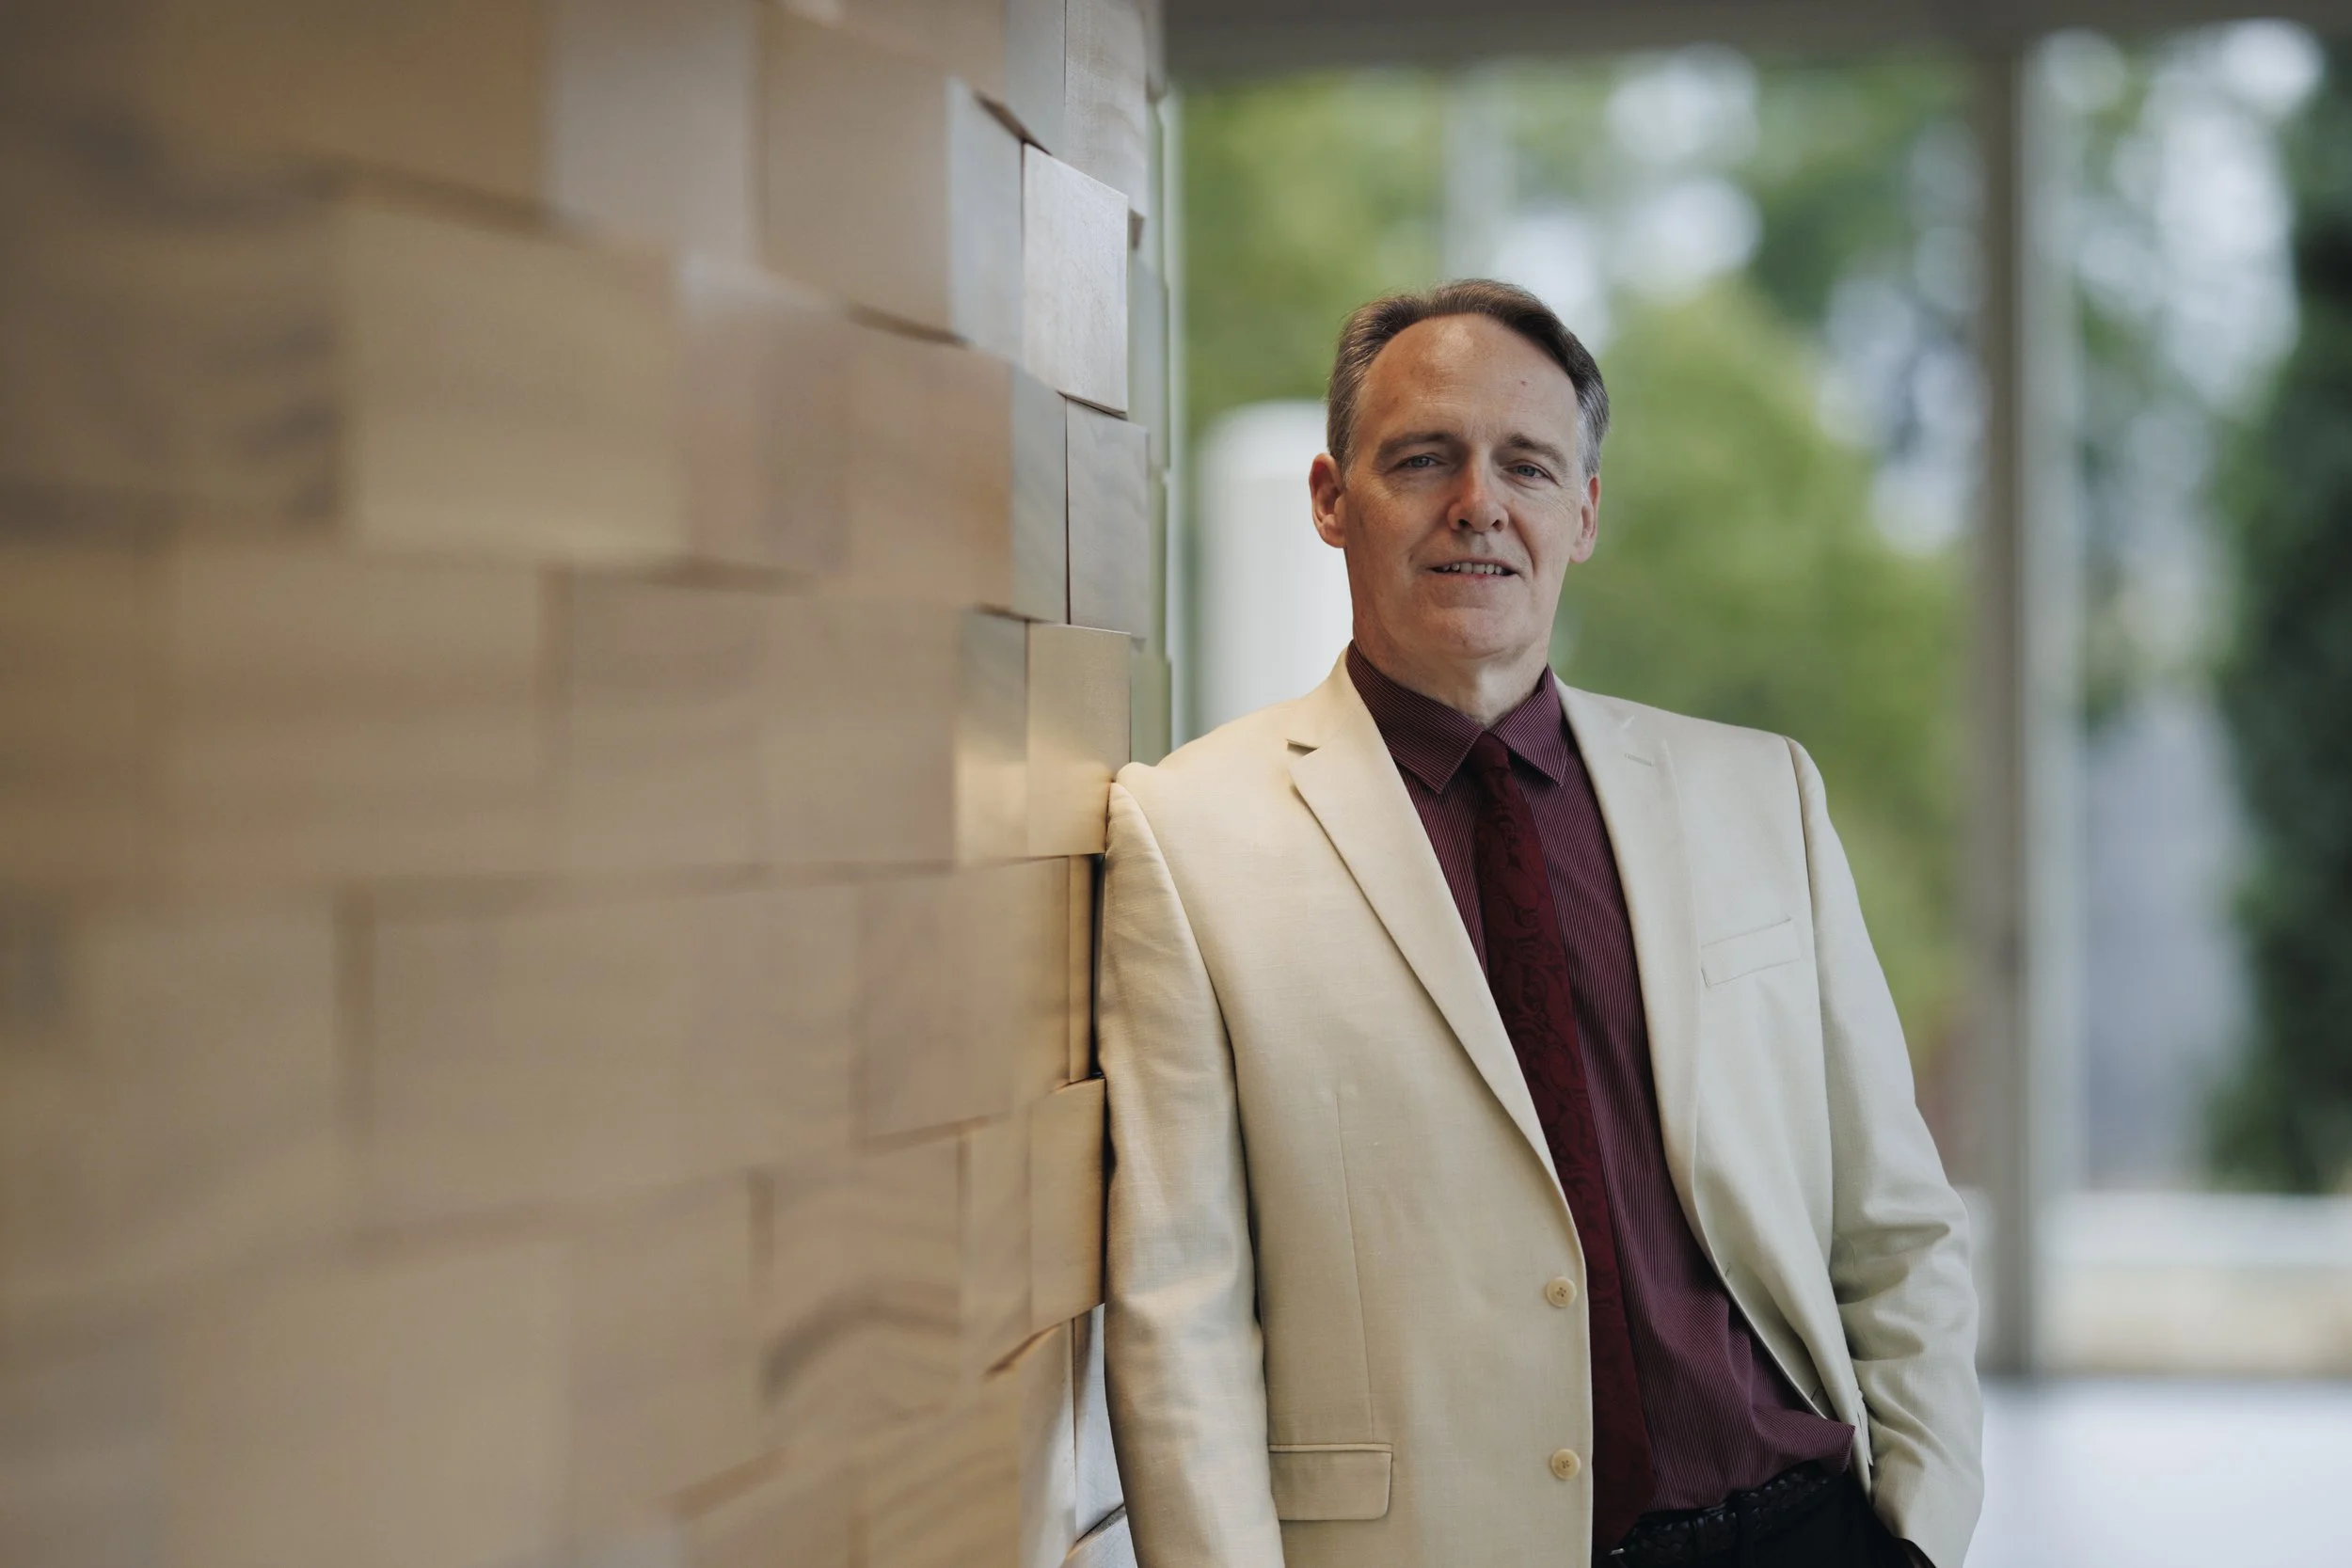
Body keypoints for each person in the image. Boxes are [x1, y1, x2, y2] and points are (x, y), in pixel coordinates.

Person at [1095, 280, 1980, 1568]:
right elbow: (1183, 1310)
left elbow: (1894, 1224)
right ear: (1332, 499)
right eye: (1422, 459)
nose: (1480, 504)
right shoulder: (1188, 835)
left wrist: (1922, 1528)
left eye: (1527, 464)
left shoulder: (1763, 796)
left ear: (1586, 512)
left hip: (1802, 1528)